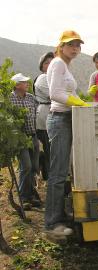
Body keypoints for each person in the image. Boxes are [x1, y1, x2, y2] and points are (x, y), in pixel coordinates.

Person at [45, 30, 89, 237]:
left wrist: (81, 99)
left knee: (63, 171)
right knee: (57, 174)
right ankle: (52, 224)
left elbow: (67, 92)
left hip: (66, 119)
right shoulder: (57, 63)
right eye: (71, 44)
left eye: (77, 45)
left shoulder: (65, 65)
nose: (75, 48)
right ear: (61, 46)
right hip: (59, 119)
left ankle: (59, 215)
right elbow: (55, 93)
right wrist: (75, 101)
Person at [10, 73, 40, 210]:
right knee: (26, 166)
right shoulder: (10, 99)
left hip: (32, 136)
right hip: (20, 139)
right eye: (24, 82)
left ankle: (30, 195)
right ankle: (23, 196)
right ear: (17, 85)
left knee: (34, 167)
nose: (27, 84)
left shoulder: (31, 98)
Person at [34, 52, 55, 181]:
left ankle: (49, 173)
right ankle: (49, 176)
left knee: (52, 148)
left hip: (52, 112)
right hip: (44, 114)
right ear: (42, 66)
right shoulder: (43, 78)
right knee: (49, 148)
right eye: (46, 62)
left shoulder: (54, 78)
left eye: (52, 62)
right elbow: (53, 94)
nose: (50, 65)